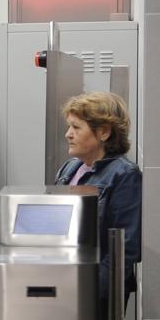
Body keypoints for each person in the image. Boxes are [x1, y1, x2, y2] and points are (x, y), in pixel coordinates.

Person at [55, 92, 141, 298]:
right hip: (65, 280)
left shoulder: (125, 175)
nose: (68, 134)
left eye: (76, 127)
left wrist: (89, 291)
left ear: (103, 132)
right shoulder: (70, 167)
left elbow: (124, 249)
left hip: (98, 291)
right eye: (69, 126)